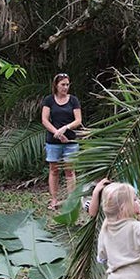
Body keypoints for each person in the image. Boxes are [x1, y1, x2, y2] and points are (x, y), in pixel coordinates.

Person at [41, 73, 83, 210]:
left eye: (67, 84)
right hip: (53, 141)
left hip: (70, 141)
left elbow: (78, 120)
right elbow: (44, 120)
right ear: (56, 85)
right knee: (54, 170)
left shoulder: (73, 100)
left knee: (69, 171)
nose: (65, 87)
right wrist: (57, 133)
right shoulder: (49, 100)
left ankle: (71, 200)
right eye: (62, 84)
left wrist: (65, 128)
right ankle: (54, 200)